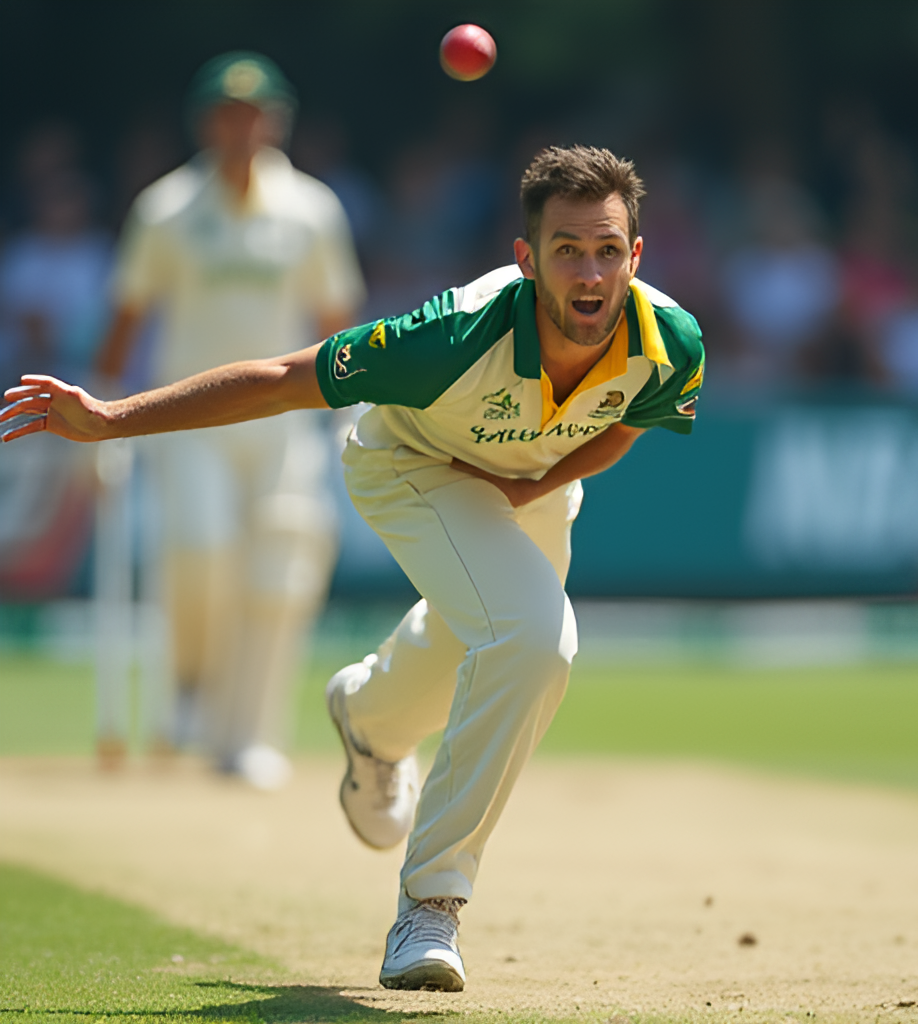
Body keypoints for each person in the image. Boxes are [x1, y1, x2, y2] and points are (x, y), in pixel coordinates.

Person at [2, 146, 705, 991]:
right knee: (534, 639)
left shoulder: (672, 340)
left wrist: (537, 483)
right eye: (566, 251)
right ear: (527, 260)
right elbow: (278, 379)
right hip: (411, 467)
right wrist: (112, 418)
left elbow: (627, 419)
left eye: (605, 251)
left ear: (636, 255)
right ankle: (430, 906)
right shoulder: (448, 335)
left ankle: (369, 716)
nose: (588, 274)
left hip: (531, 479)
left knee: (482, 629)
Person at [93, 53, 366, 786]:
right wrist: (102, 414)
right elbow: (126, 318)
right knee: (199, 547)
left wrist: (351, 412)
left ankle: (248, 736)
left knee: (282, 569)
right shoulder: (167, 209)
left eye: (256, 112)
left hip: (282, 422)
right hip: (189, 417)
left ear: (277, 121)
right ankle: (187, 685)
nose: (243, 126)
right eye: (228, 113)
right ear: (207, 122)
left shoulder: (311, 209)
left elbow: (338, 321)